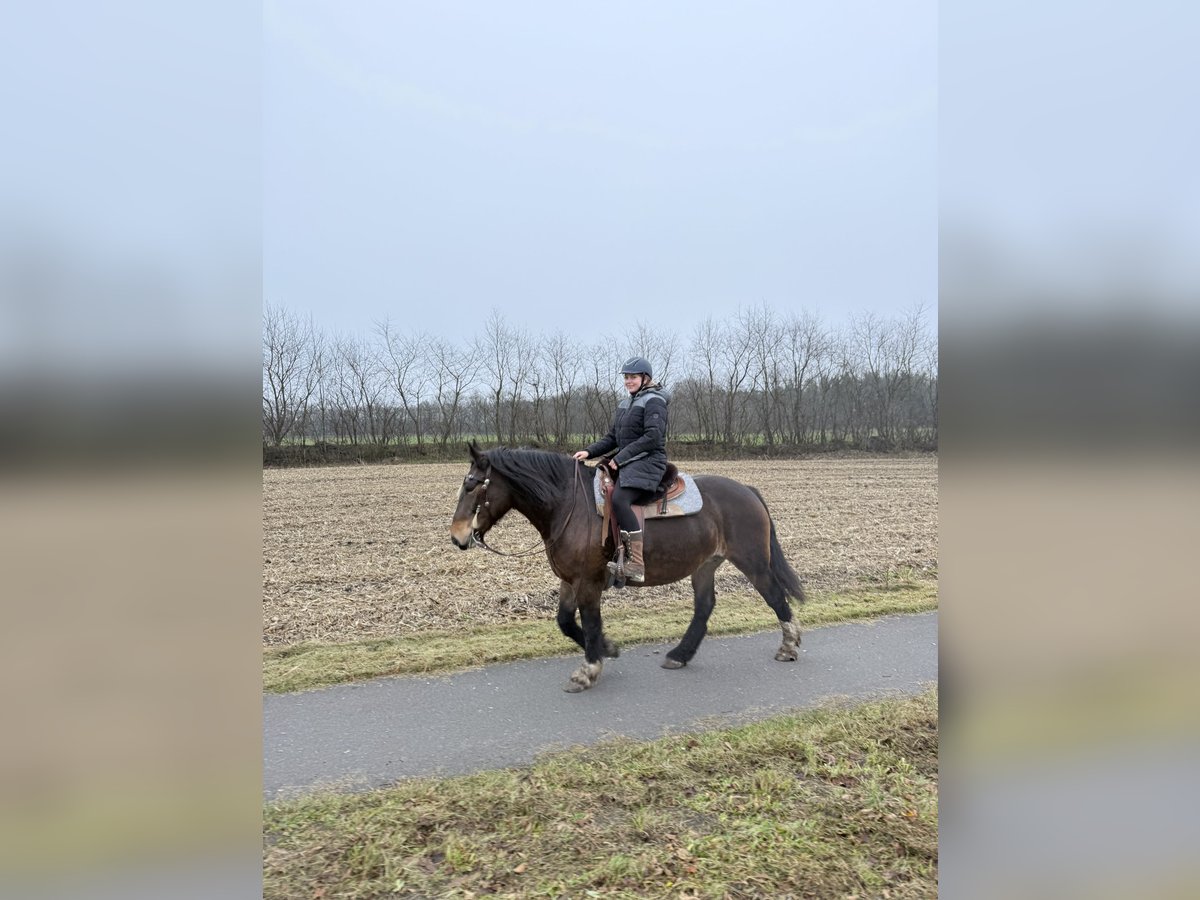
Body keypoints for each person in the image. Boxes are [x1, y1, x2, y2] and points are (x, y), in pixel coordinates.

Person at [573, 356, 669, 583]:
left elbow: (653, 437)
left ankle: (636, 562)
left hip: (649, 461)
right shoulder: (626, 404)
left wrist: (621, 458)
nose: (628, 381)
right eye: (626, 377)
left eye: (633, 377)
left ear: (645, 378)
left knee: (619, 499)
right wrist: (589, 452)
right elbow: (613, 438)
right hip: (630, 460)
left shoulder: (655, 401)